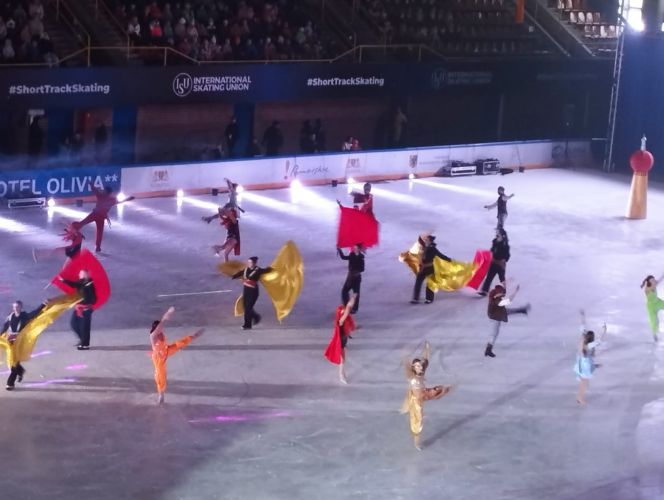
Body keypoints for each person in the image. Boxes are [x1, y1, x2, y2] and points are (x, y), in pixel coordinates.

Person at [400, 341, 452, 450]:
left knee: (439, 390)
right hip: (417, 400)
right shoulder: (413, 378)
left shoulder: (421, 372)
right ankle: (416, 443)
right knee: (418, 421)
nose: (420, 368)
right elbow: (407, 368)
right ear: (414, 368)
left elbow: (425, 360)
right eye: (418, 366)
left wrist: (427, 349)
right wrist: (405, 356)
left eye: (420, 366)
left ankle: (447, 389)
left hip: (422, 393)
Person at [150, 306, 204, 404]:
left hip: (166, 351)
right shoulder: (153, 336)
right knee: (160, 375)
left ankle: (193, 336)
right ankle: (161, 393)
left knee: (179, 344)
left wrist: (168, 313)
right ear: (155, 329)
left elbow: (162, 323)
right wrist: (167, 313)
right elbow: (162, 322)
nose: (161, 329)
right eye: (159, 328)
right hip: (159, 358)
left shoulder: (160, 333)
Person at [1, 299, 47, 390]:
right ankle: (20, 371)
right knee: (12, 360)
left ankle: (10, 383)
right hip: (11, 341)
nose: (16, 308)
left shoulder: (24, 316)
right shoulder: (10, 316)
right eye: (14, 307)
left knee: (14, 362)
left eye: (17, 307)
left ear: (21, 307)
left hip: (20, 341)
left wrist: (43, 304)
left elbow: (34, 313)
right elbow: (5, 327)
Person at [75, 185, 134, 253]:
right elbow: (119, 201)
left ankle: (73, 229)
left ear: (106, 191)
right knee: (99, 232)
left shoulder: (101, 196)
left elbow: (95, 190)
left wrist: (91, 184)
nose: (103, 190)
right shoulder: (112, 200)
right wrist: (128, 199)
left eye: (104, 190)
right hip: (101, 217)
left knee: (83, 223)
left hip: (95, 214)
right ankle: (98, 247)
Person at [485, 283, 530, 358]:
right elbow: (509, 301)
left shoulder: (493, 295)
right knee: (494, 334)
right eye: (501, 293)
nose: (502, 294)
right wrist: (515, 292)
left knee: (508, 311)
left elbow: (502, 293)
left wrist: (504, 285)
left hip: (497, 313)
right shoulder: (497, 301)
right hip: (495, 317)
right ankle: (488, 350)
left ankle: (522, 310)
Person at [59, 269, 96, 350]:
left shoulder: (90, 284)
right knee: (74, 324)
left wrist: (88, 288)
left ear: (85, 274)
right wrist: (63, 280)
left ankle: (85, 345)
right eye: (79, 273)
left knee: (84, 327)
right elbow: (74, 284)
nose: (79, 274)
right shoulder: (80, 282)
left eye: (81, 273)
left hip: (86, 309)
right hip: (78, 307)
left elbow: (93, 299)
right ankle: (82, 339)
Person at [575, 309, 606, 405]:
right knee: (584, 383)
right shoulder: (589, 346)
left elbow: (583, 326)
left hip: (580, 363)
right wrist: (605, 330)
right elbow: (599, 341)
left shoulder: (584, 340)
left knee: (583, 382)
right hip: (585, 365)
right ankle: (580, 398)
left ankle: (579, 397)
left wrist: (582, 316)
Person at [232, 257, 272, 330]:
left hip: (253, 291)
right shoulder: (246, 269)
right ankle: (256, 317)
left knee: (248, 308)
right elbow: (240, 273)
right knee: (246, 307)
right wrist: (234, 276)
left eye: (250, 262)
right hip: (246, 290)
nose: (249, 264)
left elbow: (267, 270)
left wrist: (273, 267)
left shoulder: (258, 270)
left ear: (254, 263)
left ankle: (247, 325)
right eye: (248, 262)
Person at [324, 294, 356, 384]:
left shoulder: (344, 314)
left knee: (343, 358)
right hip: (340, 341)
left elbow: (348, 315)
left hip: (344, 339)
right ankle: (341, 375)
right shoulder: (341, 319)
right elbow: (346, 313)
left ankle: (342, 374)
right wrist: (349, 305)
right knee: (342, 359)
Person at [411, 234, 451, 304]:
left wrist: (449, 260)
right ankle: (415, 298)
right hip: (423, 269)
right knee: (418, 283)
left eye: (427, 240)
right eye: (425, 240)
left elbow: (441, 255)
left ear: (430, 241)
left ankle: (429, 299)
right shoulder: (423, 247)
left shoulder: (433, 249)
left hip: (430, 269)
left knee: (430, 284)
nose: (425, 240)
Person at [478, 228, 510, 296]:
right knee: (489, 277)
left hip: (500, 264)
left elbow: (507, 255)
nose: (496, 235)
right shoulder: (495, 241)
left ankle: (503, 291)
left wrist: (504, 260)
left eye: (498, 234)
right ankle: (484, 291)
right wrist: (489, 255)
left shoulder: (505, 244)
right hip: (493, 262)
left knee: (501, 278)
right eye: (496, 233)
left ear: (502, 235)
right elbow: (492, 250)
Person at [337, 244, 364, 313]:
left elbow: (362, 269)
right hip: (351, 277)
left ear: (359, 249)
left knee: (356, 293)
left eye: (356, 248)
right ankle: (347, 306)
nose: (354, 249)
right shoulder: (352, 255)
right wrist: (339, 250)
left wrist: (356, 268)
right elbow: (343, 257)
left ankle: (354, 309)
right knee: (344, 291)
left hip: (356, 278)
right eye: (354, 248)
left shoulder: (361, 257)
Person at [641, 274, 664, 341]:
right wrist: (655, 284)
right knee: (654, 321)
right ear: (649, 281)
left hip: (657, 302)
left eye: (654, 280)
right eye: (652, 280)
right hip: (651, 306)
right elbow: (652, 287)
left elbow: (660, 280)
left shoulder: (654, 284)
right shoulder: (647, 289)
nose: (654, 281)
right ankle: (654, 334)